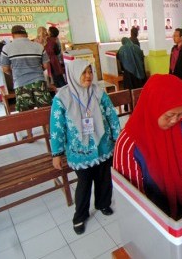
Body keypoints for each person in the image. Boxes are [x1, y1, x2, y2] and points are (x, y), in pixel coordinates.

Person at [113, 74, 182, 220]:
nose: (175, 120)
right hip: (151, 220)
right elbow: (133, 199)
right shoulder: (128, 144)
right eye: (169, 115)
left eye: (180, 114)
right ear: (153, 107)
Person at [50, 59, 121, 235]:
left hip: (103, 146)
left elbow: (111, 116)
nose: (88, 76)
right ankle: (80, 216)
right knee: (84, 182)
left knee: (104, 177)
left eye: (90, 72)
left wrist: (118, 138)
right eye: (84, 72)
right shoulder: (62, 98)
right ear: (74, 74)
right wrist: (57, 153)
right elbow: (56, 126)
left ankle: (103, 204)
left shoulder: (98, 92)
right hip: (79, 151)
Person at [0, 25, 52, 134]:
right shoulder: (38, 46)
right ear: (26, 34)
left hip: (21, 84)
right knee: (44, 109)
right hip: (39, 82)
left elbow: (5, 68)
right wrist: (37, 70)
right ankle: (49, 131)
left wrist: (13, 73)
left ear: (12, 35)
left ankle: (29, 135)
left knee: (26, 112)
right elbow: (46, 65)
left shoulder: (7, 48)